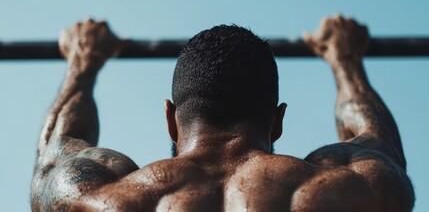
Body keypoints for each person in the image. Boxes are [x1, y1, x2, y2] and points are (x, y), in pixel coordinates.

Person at [31, 16, 414, 212]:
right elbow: (380, 145)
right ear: (277, 121)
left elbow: (53, 157)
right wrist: (344, 59)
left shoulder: (110, 197)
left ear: (170, 118)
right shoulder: (337, 189)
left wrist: (84, 61)